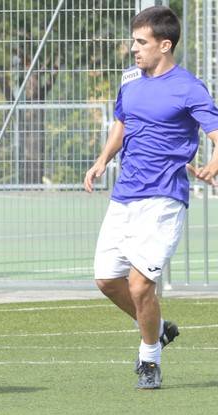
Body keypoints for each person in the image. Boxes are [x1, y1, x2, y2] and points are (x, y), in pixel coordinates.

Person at [84, 6, 218, 389]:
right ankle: (158, 328)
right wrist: (101, 160)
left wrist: (213, 164)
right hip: (124, 195)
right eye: (133, 41)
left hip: (164, 198)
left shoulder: (189, 87)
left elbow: (216, 133)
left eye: (141, 43)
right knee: (107, 280)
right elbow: (122, 124)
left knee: (141, 285)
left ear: (165, 44)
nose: (134, 49)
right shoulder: (130, 81)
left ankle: (149, 360)